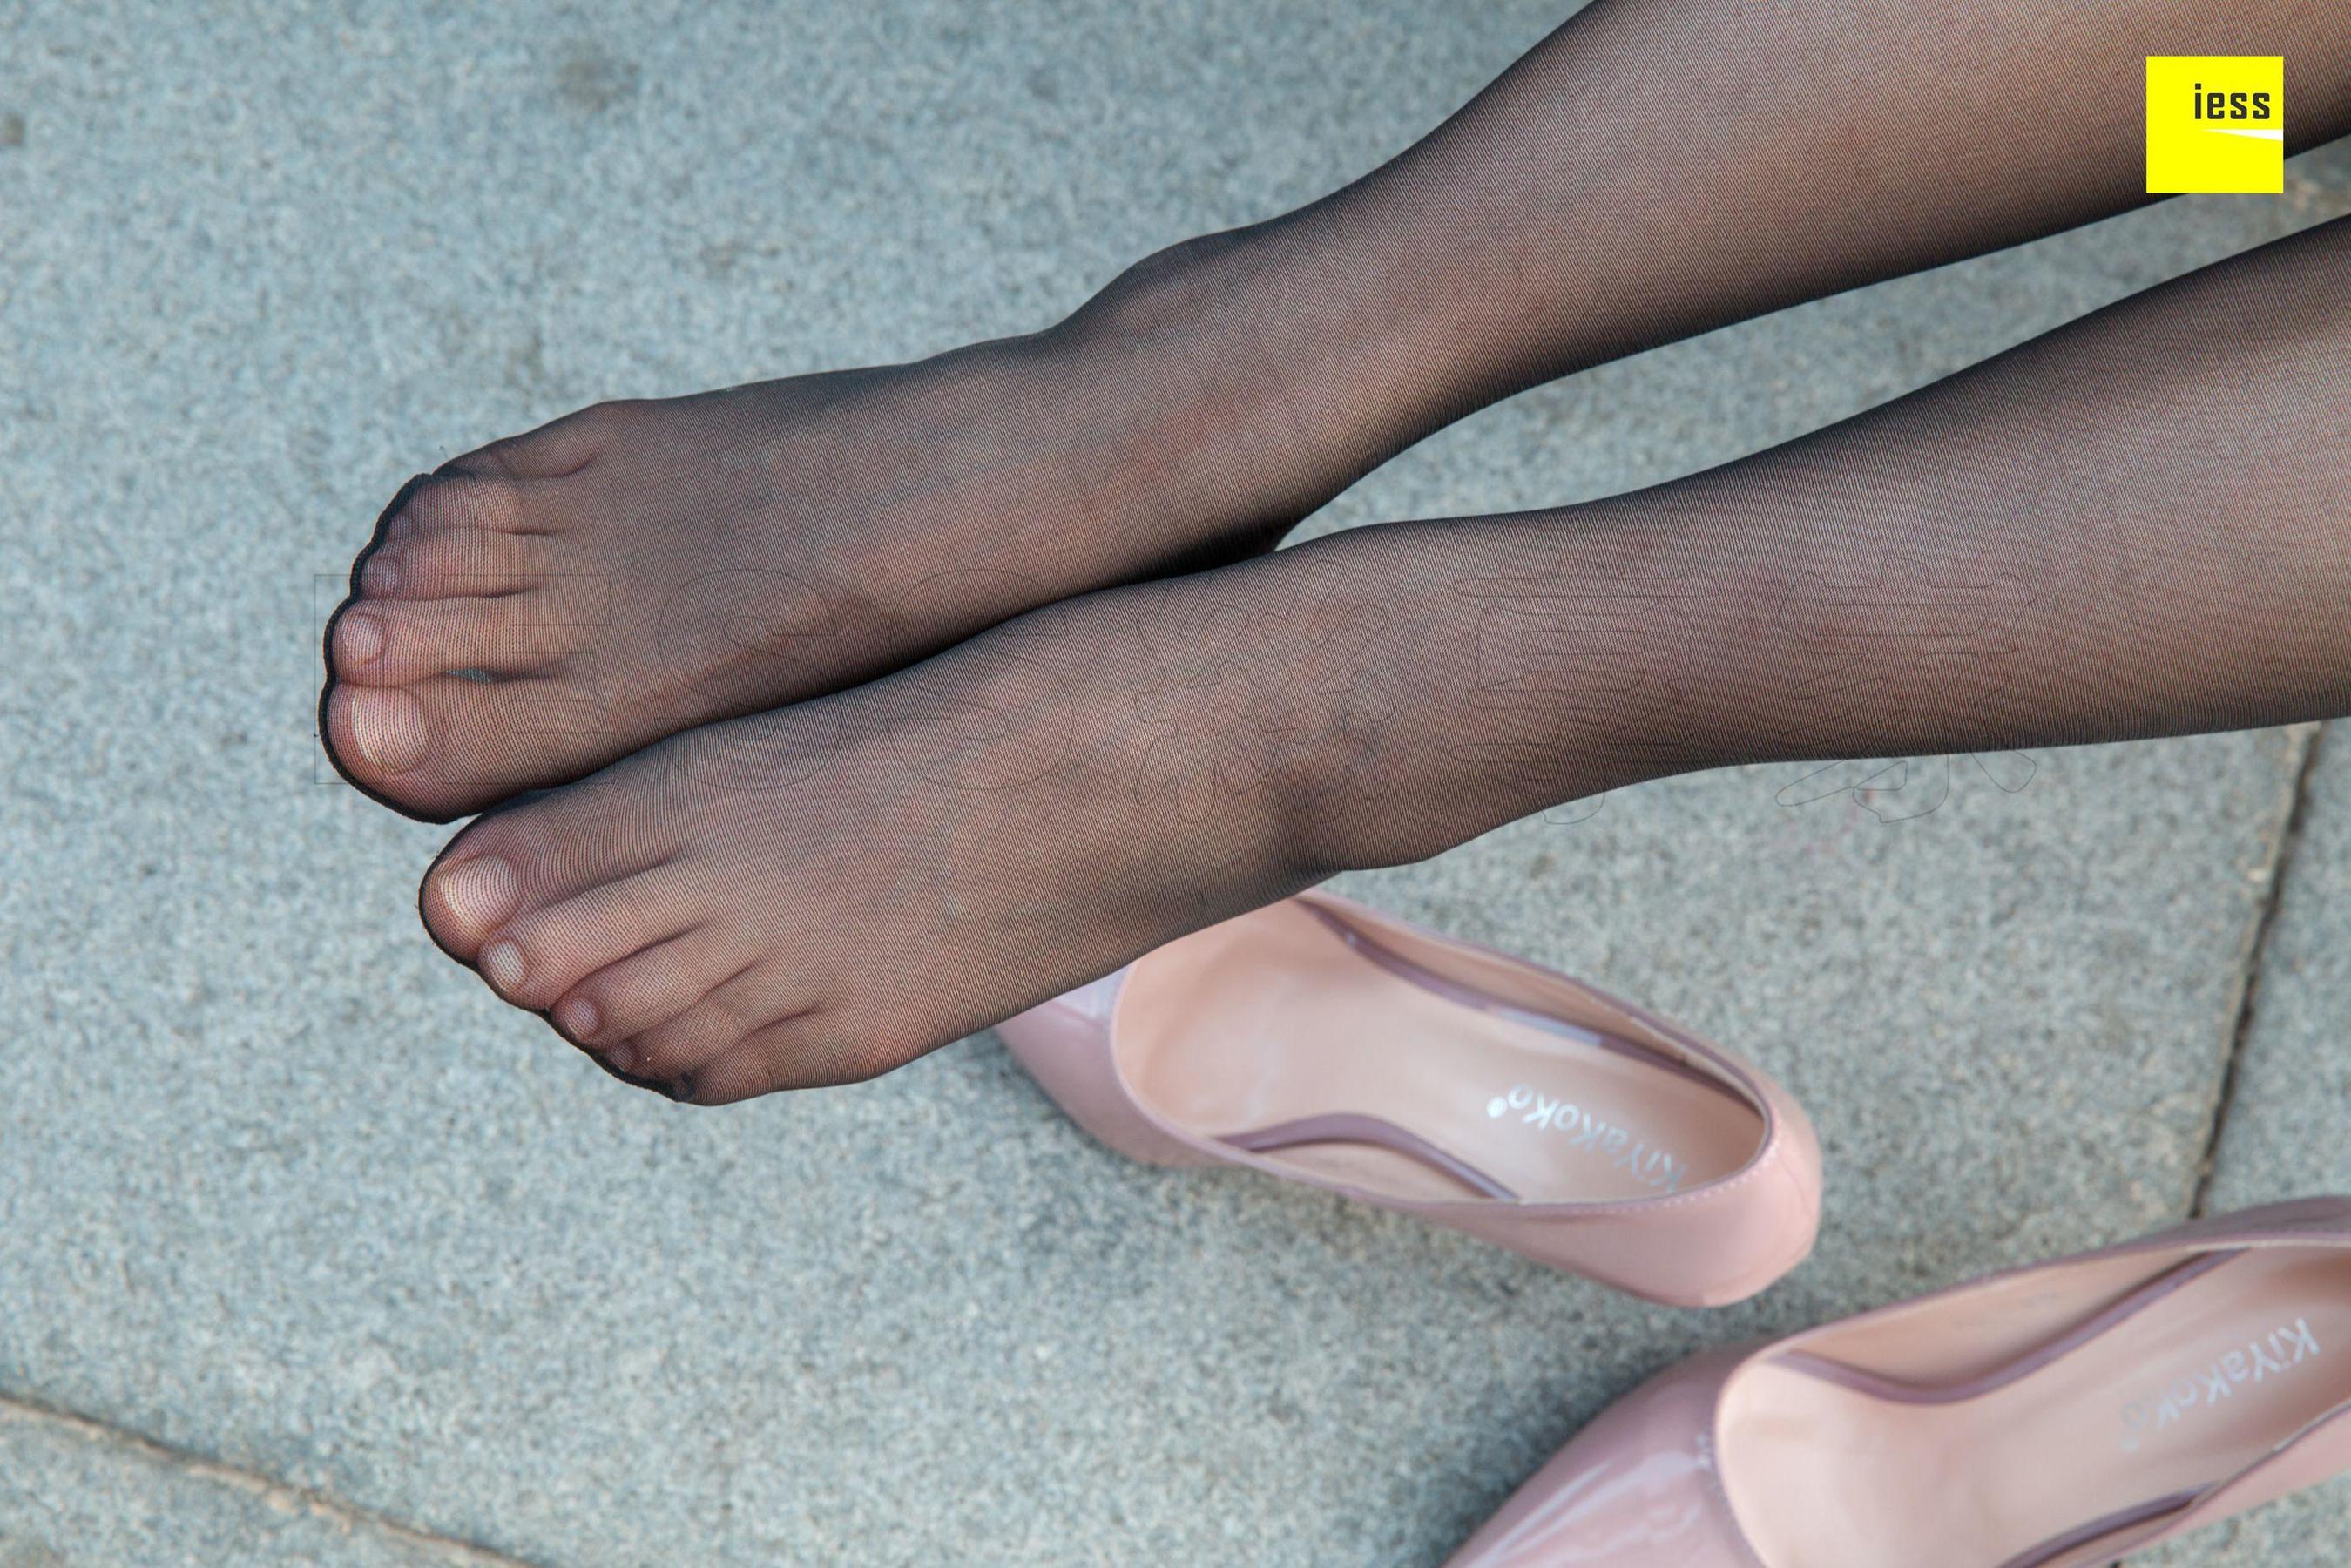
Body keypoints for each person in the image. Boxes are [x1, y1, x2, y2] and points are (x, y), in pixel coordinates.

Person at [320, 1, 2351, 1104]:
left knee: (2264, 108)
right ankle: (1187, 392)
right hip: (2242, 93)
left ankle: (1360, 706)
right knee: (2255, 101)